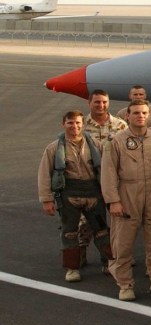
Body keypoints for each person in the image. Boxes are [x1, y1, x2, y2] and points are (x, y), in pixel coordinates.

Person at [102, 100, 151, 301]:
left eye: (144, 113)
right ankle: (125, 284)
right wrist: (113, 201)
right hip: (127, 191)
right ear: (127, 116)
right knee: (123, 242)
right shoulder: (116, 141)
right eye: (136, 113)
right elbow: (108, 173)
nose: (140, 116)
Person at [38, 111, 111, 282]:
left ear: (83, 124)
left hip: (94, 192)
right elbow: (44, 174)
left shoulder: (97, 146)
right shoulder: (54, 148)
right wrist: (46, 199)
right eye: (70, 123)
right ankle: (72, 268)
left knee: (101, 230)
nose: (75, 126)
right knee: (69, 232)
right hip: (69, 194)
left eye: (78, 123)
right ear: (63, 124)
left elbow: (107, 171)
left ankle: (109, 262)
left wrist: (110, 195)